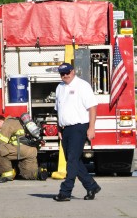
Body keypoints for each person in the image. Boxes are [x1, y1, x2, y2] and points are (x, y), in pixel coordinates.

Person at [53, 63, 101, 201]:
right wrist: (59, 127)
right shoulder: (59, 87)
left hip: (79, 127)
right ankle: (91, 186)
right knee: (73, 160)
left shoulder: (82, 85)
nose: (65, 75)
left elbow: (92, 107)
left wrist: (91, 128)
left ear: (73, 71)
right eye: (62, 73)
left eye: (67, 72)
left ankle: (65, 191)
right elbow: (59, 110)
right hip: (65, 129)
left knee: (72, 160)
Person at [0, 114, 47, 180]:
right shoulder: (19, 121)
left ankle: (7, 175)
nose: (0, 129)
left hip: (20, 150)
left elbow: (1, 141)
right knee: (28, 174)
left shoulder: (7, 123)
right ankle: (39, 173)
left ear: (0, 121)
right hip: (32, 150)